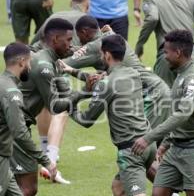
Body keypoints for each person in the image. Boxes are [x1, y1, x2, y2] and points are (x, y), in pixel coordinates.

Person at [63, 34, 156, 196]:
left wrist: (69, 107)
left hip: (131, 150)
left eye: (100, 54)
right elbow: (103, 79)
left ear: (106, 55)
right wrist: (71, 70)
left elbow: (87, 120)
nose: (100, 57)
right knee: (118, 188)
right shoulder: (133, 73)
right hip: (149, 144)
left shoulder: (106, 83)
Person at [132, 29, 194, 196]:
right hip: (175, 148)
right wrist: (165, 144)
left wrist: (149, 138)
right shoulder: (179, 75)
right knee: (159, 192)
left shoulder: (193, 79)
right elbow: (175, 115)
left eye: (166, 52)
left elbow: (183, 114)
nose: (165, 56)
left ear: (178, 53)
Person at [11, 18, 81, 191]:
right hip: (11, 129)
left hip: (18, 126)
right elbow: (55, 107)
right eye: (69, 40)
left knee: (27, 187)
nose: (71, 45)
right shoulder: (44, 67)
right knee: (26, 187)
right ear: (56, 39)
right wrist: (83, 92)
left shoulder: (51, 62)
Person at [1, 43, 56, 196]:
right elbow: (19, 132)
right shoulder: (12, 92)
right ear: (22, 62)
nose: (30, 67)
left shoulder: (3, 83)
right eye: (29, 62)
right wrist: (45, 160)